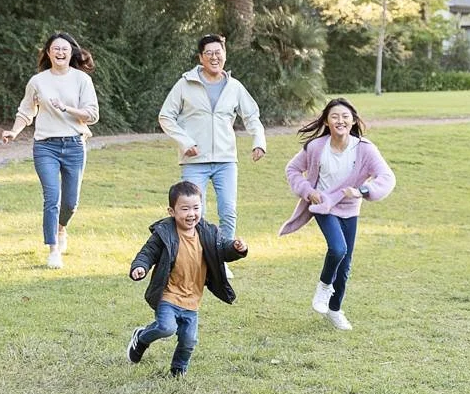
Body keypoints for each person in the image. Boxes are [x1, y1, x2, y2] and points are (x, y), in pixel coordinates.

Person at [278, 98, 395, 331]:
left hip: (349, 209)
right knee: (338, 249)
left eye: (345, 116)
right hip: (323, 205)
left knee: (345, 264)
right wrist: (308, 192)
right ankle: (323, 287)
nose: (340, 121)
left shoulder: (364, 149)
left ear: (353, 120)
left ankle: (334, 309)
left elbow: (386, 177)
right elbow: (292, 169)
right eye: (334, 117)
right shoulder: (316, 147)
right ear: (327, 122)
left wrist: (362, 190)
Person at [126, 180, 246, 376]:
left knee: (189, 340)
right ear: (171, 211)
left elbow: (222, 249)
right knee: (166, 327)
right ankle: (141, 338)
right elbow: (148, 253)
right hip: (169, 295)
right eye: (185, 209)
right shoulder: (164, 233)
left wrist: (236, 248)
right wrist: (140, 267)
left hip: (192, 299)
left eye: (196, 208)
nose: (191, 214)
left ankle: (178, 370)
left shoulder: (208, 232)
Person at [2, 32, 99, 269]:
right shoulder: (38, 81)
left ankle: (61, 228)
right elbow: (26, 111)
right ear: (48, 53)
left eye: (65, 49)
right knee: (51, 198)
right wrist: (14, 131)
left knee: (70, 203)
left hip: (75, 145)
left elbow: (93, 115)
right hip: (46, 146)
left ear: (71, 53)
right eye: (55, 48)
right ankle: (53, 249)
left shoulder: (81, 80)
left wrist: (67, 109)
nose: (60, 52)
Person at [157, 34, 266, 242]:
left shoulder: (234, 87)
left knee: (228, 211)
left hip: (226, 160)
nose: (214, 57)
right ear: (200, 57)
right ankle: (201, 258)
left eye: (218, 52)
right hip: (194, 160)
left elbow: (252, 116)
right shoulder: (185, 84)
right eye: (209, 53)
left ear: (224, 55)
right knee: (196, 214)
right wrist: (185, 142)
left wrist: (259, 141)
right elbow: (165, 116)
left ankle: (224, 258)